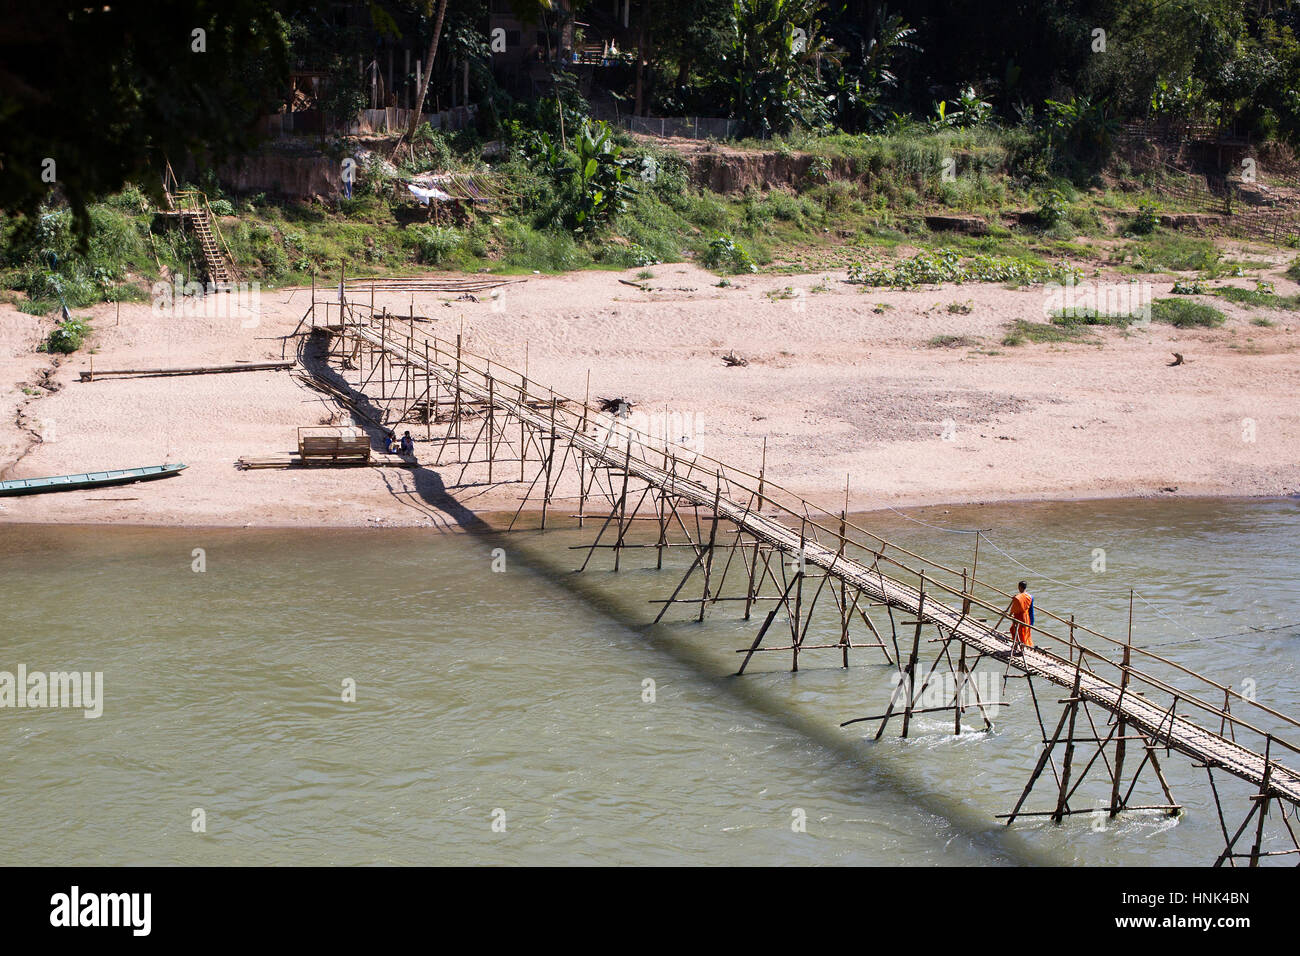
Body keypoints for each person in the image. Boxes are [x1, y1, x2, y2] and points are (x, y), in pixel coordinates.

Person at [1004, 581, 1035, 651]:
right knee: (1022, 632)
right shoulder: (1030, 597)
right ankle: (1018, 646)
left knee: (1016, 631)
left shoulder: (1017, 598)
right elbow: (1031, 610)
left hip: (1018, 617)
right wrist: (1032, 621)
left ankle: (1020, 648)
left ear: (1019, 587)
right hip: (1026, 617)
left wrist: (1009, 614)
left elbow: (1014, 608)